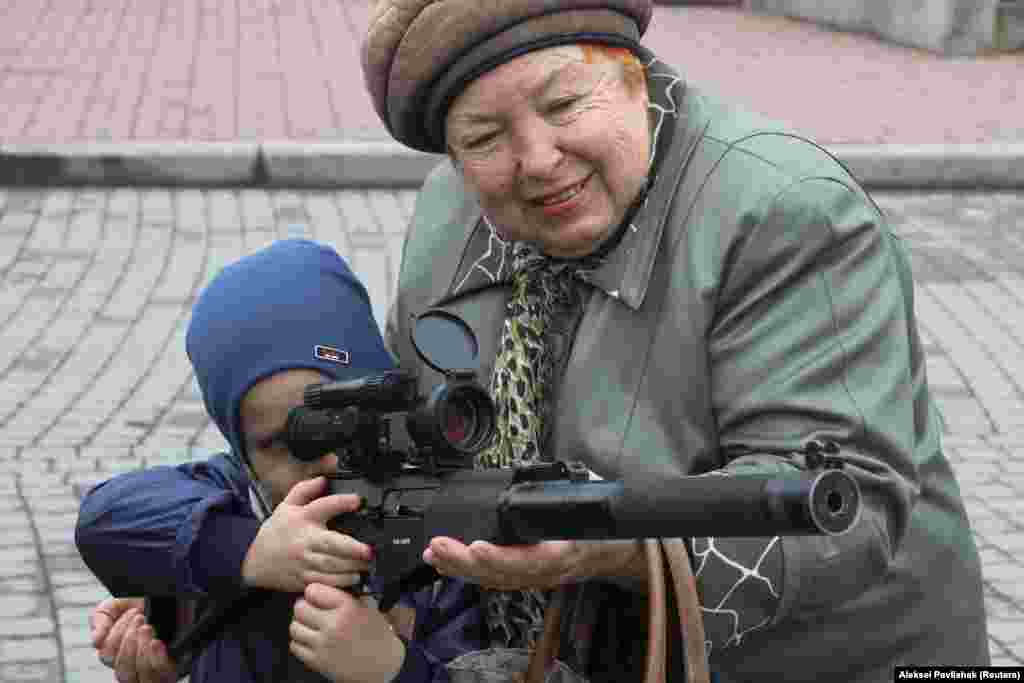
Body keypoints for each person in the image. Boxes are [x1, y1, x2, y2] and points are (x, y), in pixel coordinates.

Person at [359, 0, 991, 681]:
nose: (537, 160)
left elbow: (847, 508)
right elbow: (410, 423)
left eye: (565, 103)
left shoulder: (785, 211)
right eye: (484, 138)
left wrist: (616, 547)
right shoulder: (445, 213)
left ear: (636, 76)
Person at [77, 239, 487, 683]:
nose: (324, 459)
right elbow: (104, 518)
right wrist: (248, 552)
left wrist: (394, 669)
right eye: (281, 444)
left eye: (343, 426)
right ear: (243, 453)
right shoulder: (235, 498)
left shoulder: (437, 541)